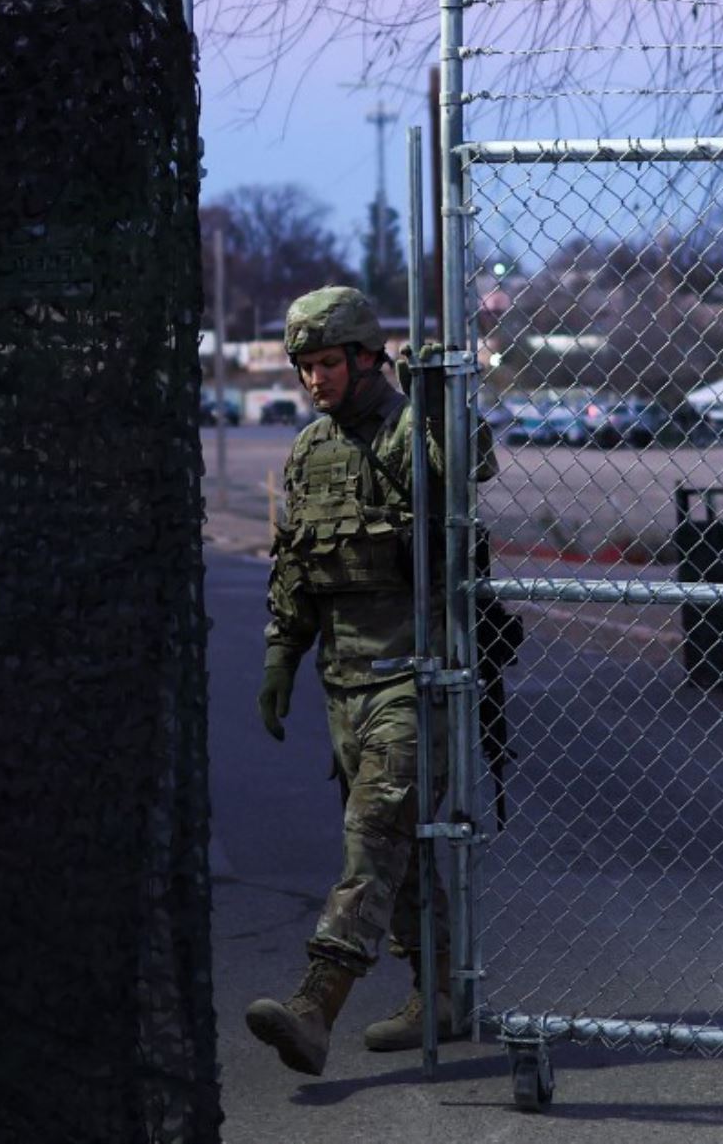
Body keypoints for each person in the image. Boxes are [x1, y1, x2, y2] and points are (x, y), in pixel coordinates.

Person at [245, 285, 491, 1076]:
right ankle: (444, 992)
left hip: (413, 679)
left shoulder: (409, 432)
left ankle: (317, 1004)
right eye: (305, 366)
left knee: (374, 837)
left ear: (364, 357)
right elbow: (297, 564)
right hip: (344, 684)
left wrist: (438, 396)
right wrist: (283, 650)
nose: (315, 379)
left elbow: (469, 462)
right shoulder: (310, 449)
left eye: (328, 363)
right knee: (403, 852)